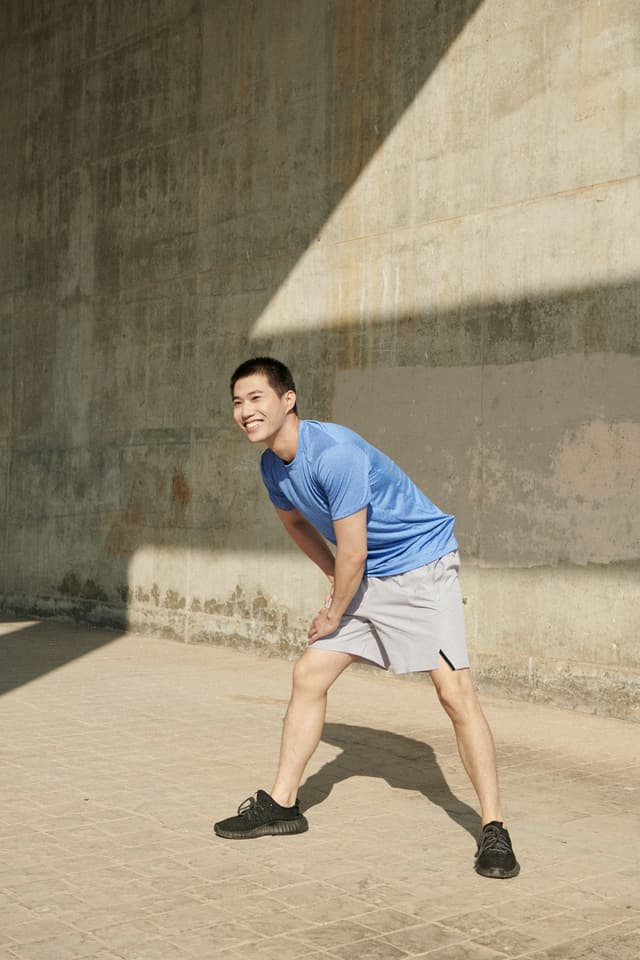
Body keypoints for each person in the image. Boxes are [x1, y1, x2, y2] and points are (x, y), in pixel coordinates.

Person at [214, 356, 519, 879]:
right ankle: (283, 804)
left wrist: (334, 610)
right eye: (238, 403)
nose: (246, 411)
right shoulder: (271, 466)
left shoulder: (334, 453)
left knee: (453, 693)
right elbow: (300, 527)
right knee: (310, 674)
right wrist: (334, 579)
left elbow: (353, 550)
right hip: (366, 572)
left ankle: (494, 827)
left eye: (256, 398)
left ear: (288, 400)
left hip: (420, 568)